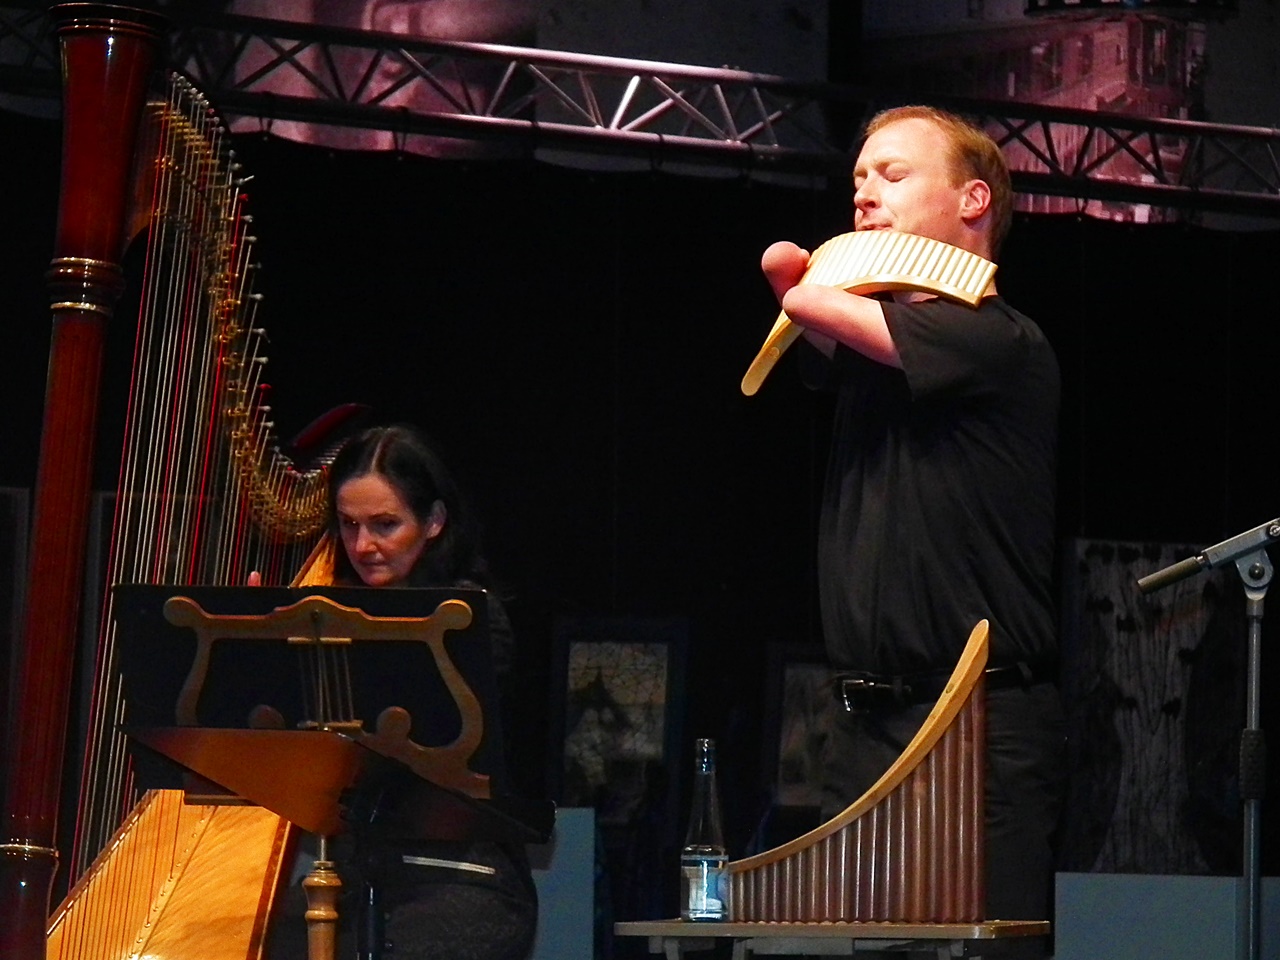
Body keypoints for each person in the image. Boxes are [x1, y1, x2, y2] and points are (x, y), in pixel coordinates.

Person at [760, 106, 1065, 957]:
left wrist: (815, 286)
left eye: (892, 175)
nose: (864, 194)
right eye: (857, 179)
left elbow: (803, 290)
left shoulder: (997, 339)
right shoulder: (873, 348)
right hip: (865, 724)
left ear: (973, 200)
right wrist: (810, 283)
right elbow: (785, 272)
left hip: (979, 726)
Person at [271, 424, 538, 960]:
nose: (363, 545)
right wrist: (258, 653)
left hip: (459, 881)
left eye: (385, 525)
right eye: (348, 526)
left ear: (433, 522)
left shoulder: (469, 620)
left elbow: (411, 754)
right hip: (359, 878)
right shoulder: (332, 614)